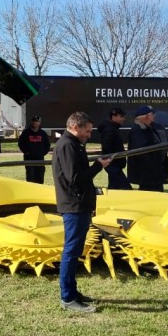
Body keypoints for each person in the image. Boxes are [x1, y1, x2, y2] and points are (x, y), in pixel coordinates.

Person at [53, 111, 111, 313]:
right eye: (86, 131)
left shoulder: (74, 144)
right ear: (75, 127)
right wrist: (98, 166)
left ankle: (72, 291)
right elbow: (75, 178)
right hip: (73, 206)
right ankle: (67, 297)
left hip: (79, 205)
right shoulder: (68, 145)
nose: (89, 134)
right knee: (71, 251)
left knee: (74, 250)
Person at [127, 105, 168, 192]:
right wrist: (154, 166)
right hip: (147, 174)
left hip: (153, 173)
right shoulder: (137, 130)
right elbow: (142, 153)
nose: (154, 116)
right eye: (153, 114)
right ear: (147, 116)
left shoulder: (148, 128)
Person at [97, 107, 130, 189]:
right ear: (113, 116)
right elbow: (106, 148)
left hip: (114, 165)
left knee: (114, 189)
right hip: (113, 165)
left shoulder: (113, 128)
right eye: (121, 116)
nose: (123, 119)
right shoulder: (109, 129)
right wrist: (110, 162)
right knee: (126, 188)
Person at [18, 115, 50, 183]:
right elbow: (21, 143)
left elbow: (47, 145)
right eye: (33, 121)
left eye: (36, 121)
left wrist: (41, 153)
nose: (35, 122)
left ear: (39, 123)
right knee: (30, 177)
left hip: (40, 159)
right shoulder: (26, 133)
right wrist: (26, 152)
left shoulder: (43, 133)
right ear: (31, 122)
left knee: (40, 176)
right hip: (29, 159)